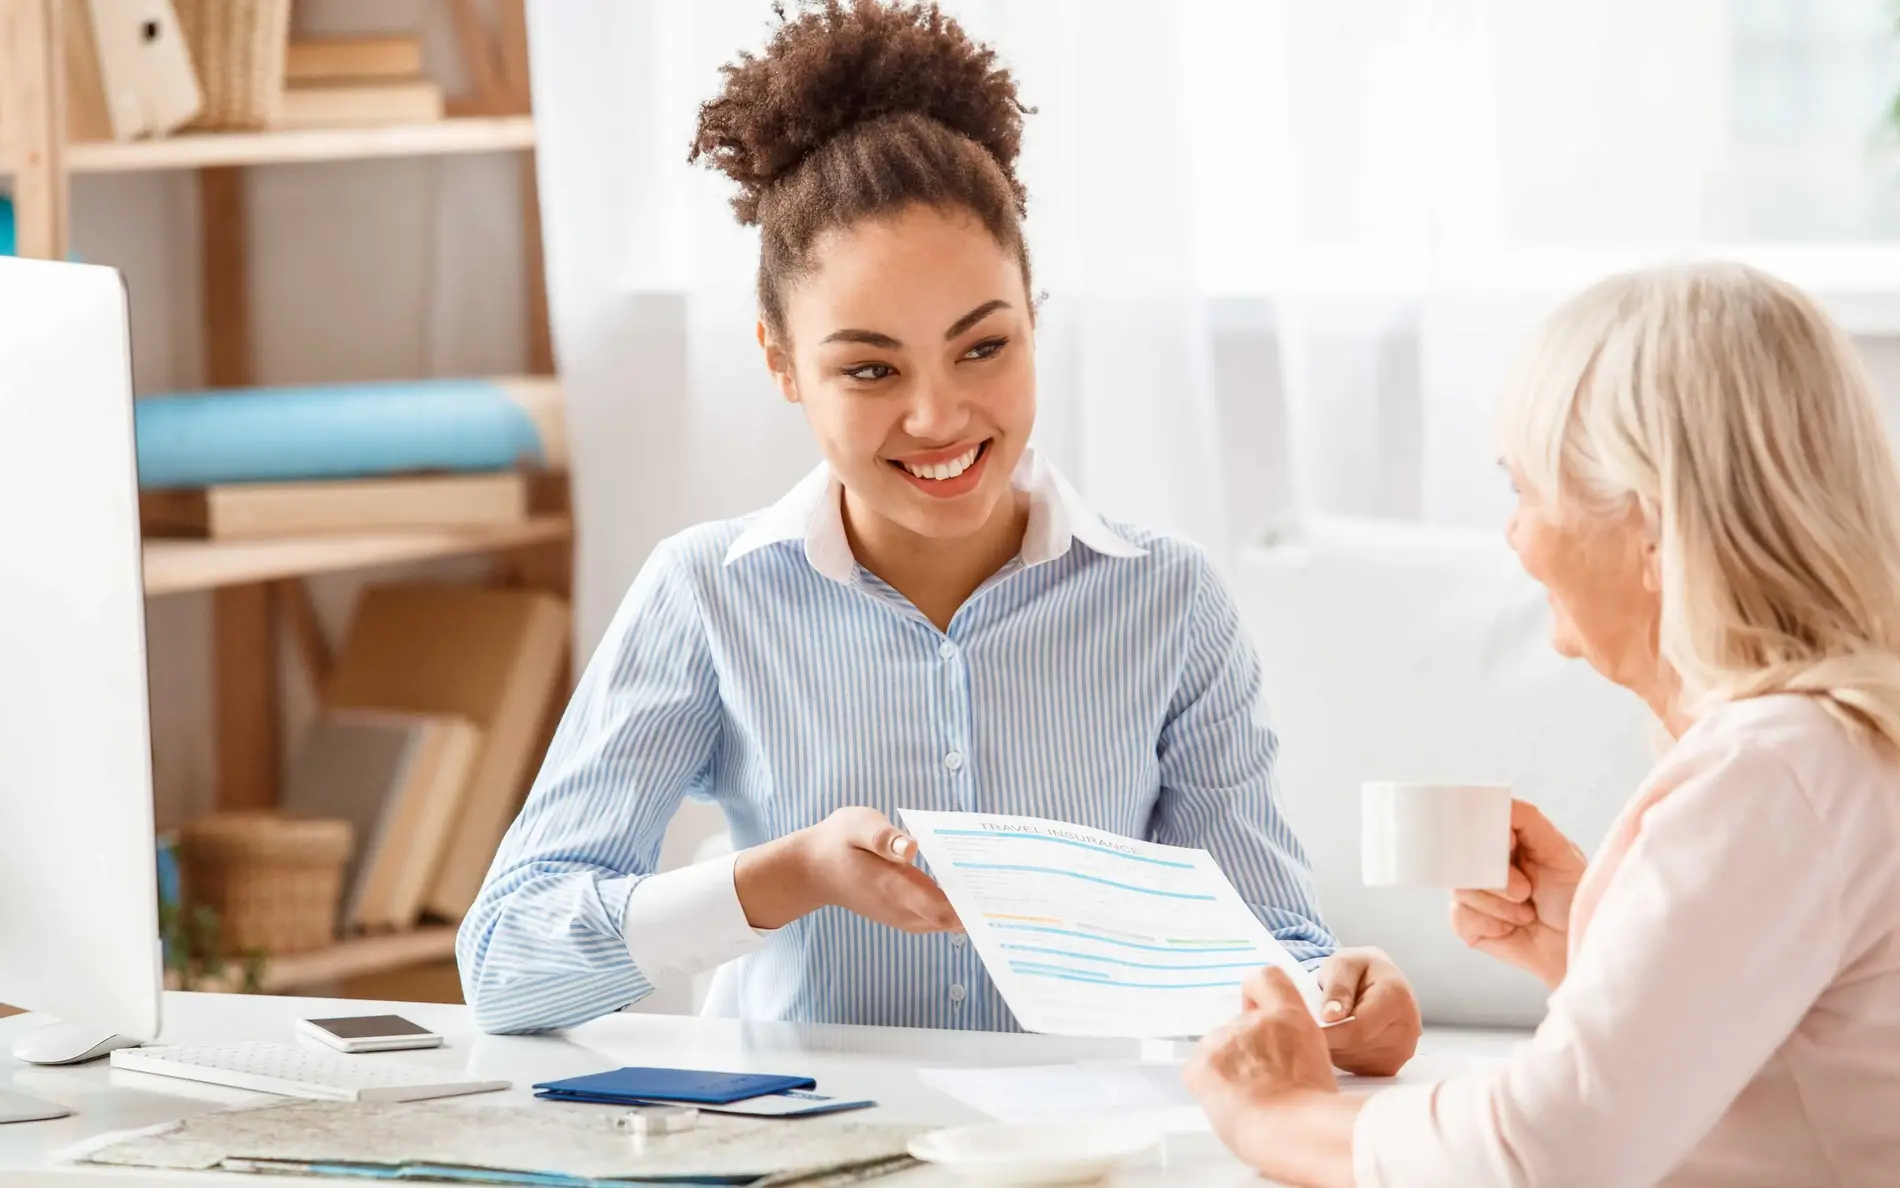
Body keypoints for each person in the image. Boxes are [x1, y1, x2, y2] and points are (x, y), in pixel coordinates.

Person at [455, 0, 1419, 1068]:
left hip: (1078, 1158)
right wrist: (794, 876)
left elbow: (1267, 954)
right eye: (870, 368)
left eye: (982, 347)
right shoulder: (706, 596)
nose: (938, 418)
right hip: (798, 1150)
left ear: (1033, 315)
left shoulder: (1168, 604)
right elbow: (505, 962)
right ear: (781, 363)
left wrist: (1342, 1008)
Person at [1183, 260, 1900, 1186]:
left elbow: (1547, 1154)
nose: (1516, 538)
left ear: (1651, 524)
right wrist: (1600, 949)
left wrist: (1280, 1116)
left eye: (1526, 491)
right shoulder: (1827, 753)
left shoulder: (1775, 772)